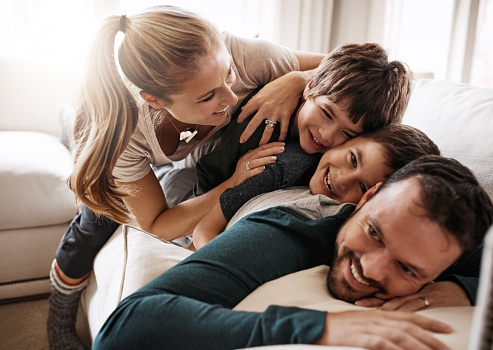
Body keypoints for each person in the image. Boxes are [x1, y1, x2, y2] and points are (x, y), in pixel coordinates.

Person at [47, 5, 329, 349]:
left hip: (192, 145)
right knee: (98, 215)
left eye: (227, 75)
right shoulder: (123, 134)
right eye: (207, 95)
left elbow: (345, 64)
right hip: (111, 140)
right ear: (154, 99)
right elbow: (158, 223)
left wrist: (295, 80)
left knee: (185, 162)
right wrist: (233, 182)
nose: (229, 97)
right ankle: (58, 314)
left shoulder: (243, 55)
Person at [92, 155, 493, 350]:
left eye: (407, 268)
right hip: (191, 179)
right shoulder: (284, 233)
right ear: (368, 198)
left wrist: (462, 288)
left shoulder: (454, 243)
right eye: (373, 232)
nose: (369, 268)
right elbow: (123, 328)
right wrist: (320, 327)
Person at [192, 124, 440, 249]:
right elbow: (204, 229)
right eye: (353, 159)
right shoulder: (282, 166)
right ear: (346, 140)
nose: (342, 180)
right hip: (199, 171)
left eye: (363, 187)